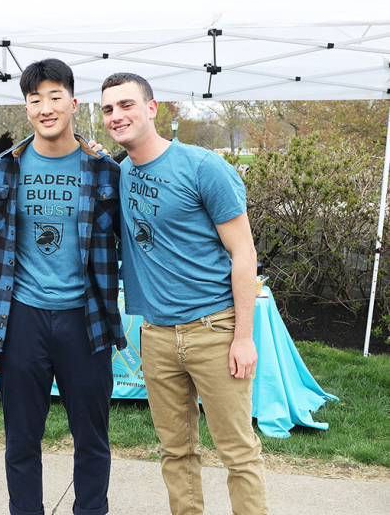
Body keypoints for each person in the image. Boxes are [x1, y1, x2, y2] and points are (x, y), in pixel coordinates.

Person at [100, 72, 267, 515]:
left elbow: (244, 252)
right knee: (175, 452)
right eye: (108, 109)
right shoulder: (118, 174)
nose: (117, 116)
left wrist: (243, 336)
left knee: (238, 451)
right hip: (155, 334)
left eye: (127, 105)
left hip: (214, 328)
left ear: (152, 108)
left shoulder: (202, 166)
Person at [0, 58, 124, 515]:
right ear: (26, 108)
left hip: (86, 318)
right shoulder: (0, 171)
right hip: (21, 317)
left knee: (92, 438)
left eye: (55, 96)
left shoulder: (105, 171)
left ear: (74, 104)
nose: (45, 107)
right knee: (21, 439)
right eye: (35, 99)